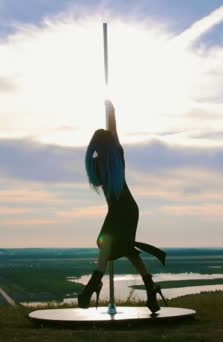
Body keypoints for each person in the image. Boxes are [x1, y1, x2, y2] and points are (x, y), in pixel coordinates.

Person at [78, 99, 167, 313]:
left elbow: (111, 134)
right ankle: (151, 289)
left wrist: (111, 113)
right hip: (127, 210)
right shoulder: (115, 157)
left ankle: (91, 287)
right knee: (124, 249)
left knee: (107, 245)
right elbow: (113, 133)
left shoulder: (96, 165)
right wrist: (111, 112)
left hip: (122, 211)